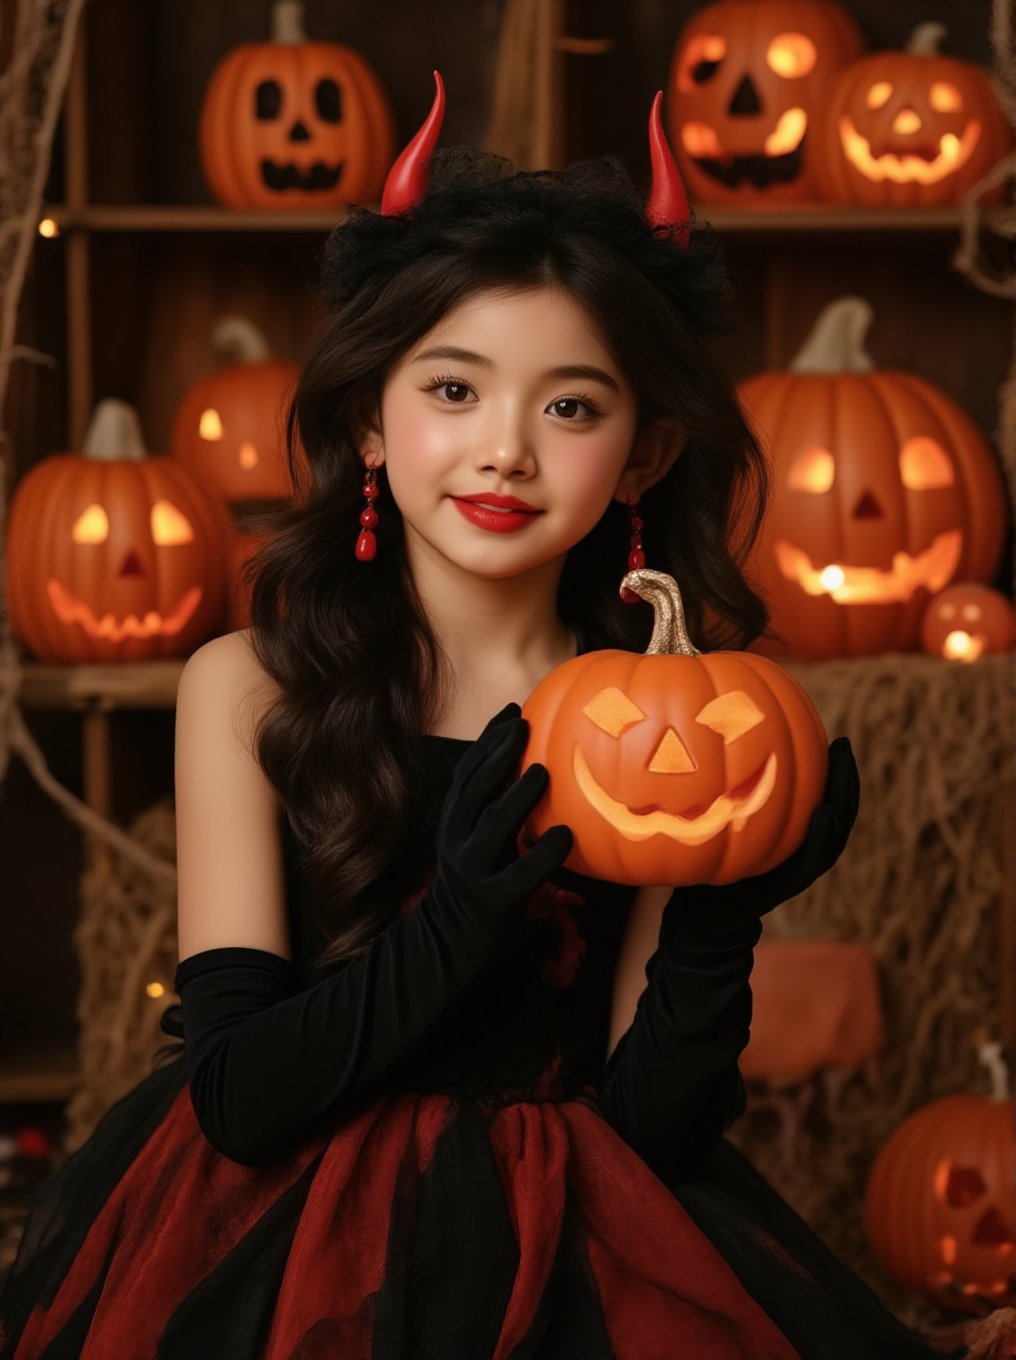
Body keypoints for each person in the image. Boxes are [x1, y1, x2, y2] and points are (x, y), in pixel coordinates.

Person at [0, 74, 966, 1360]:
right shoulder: (248, 685)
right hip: (283, 1251)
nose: (505, 448)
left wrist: (714, 924)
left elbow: (654, 1135)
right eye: (452, 390)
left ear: (642, 457)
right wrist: (453, 923)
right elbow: (234, 1097)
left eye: (568, 406)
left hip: (580, 1232)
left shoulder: (661, 732)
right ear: (369, 420)